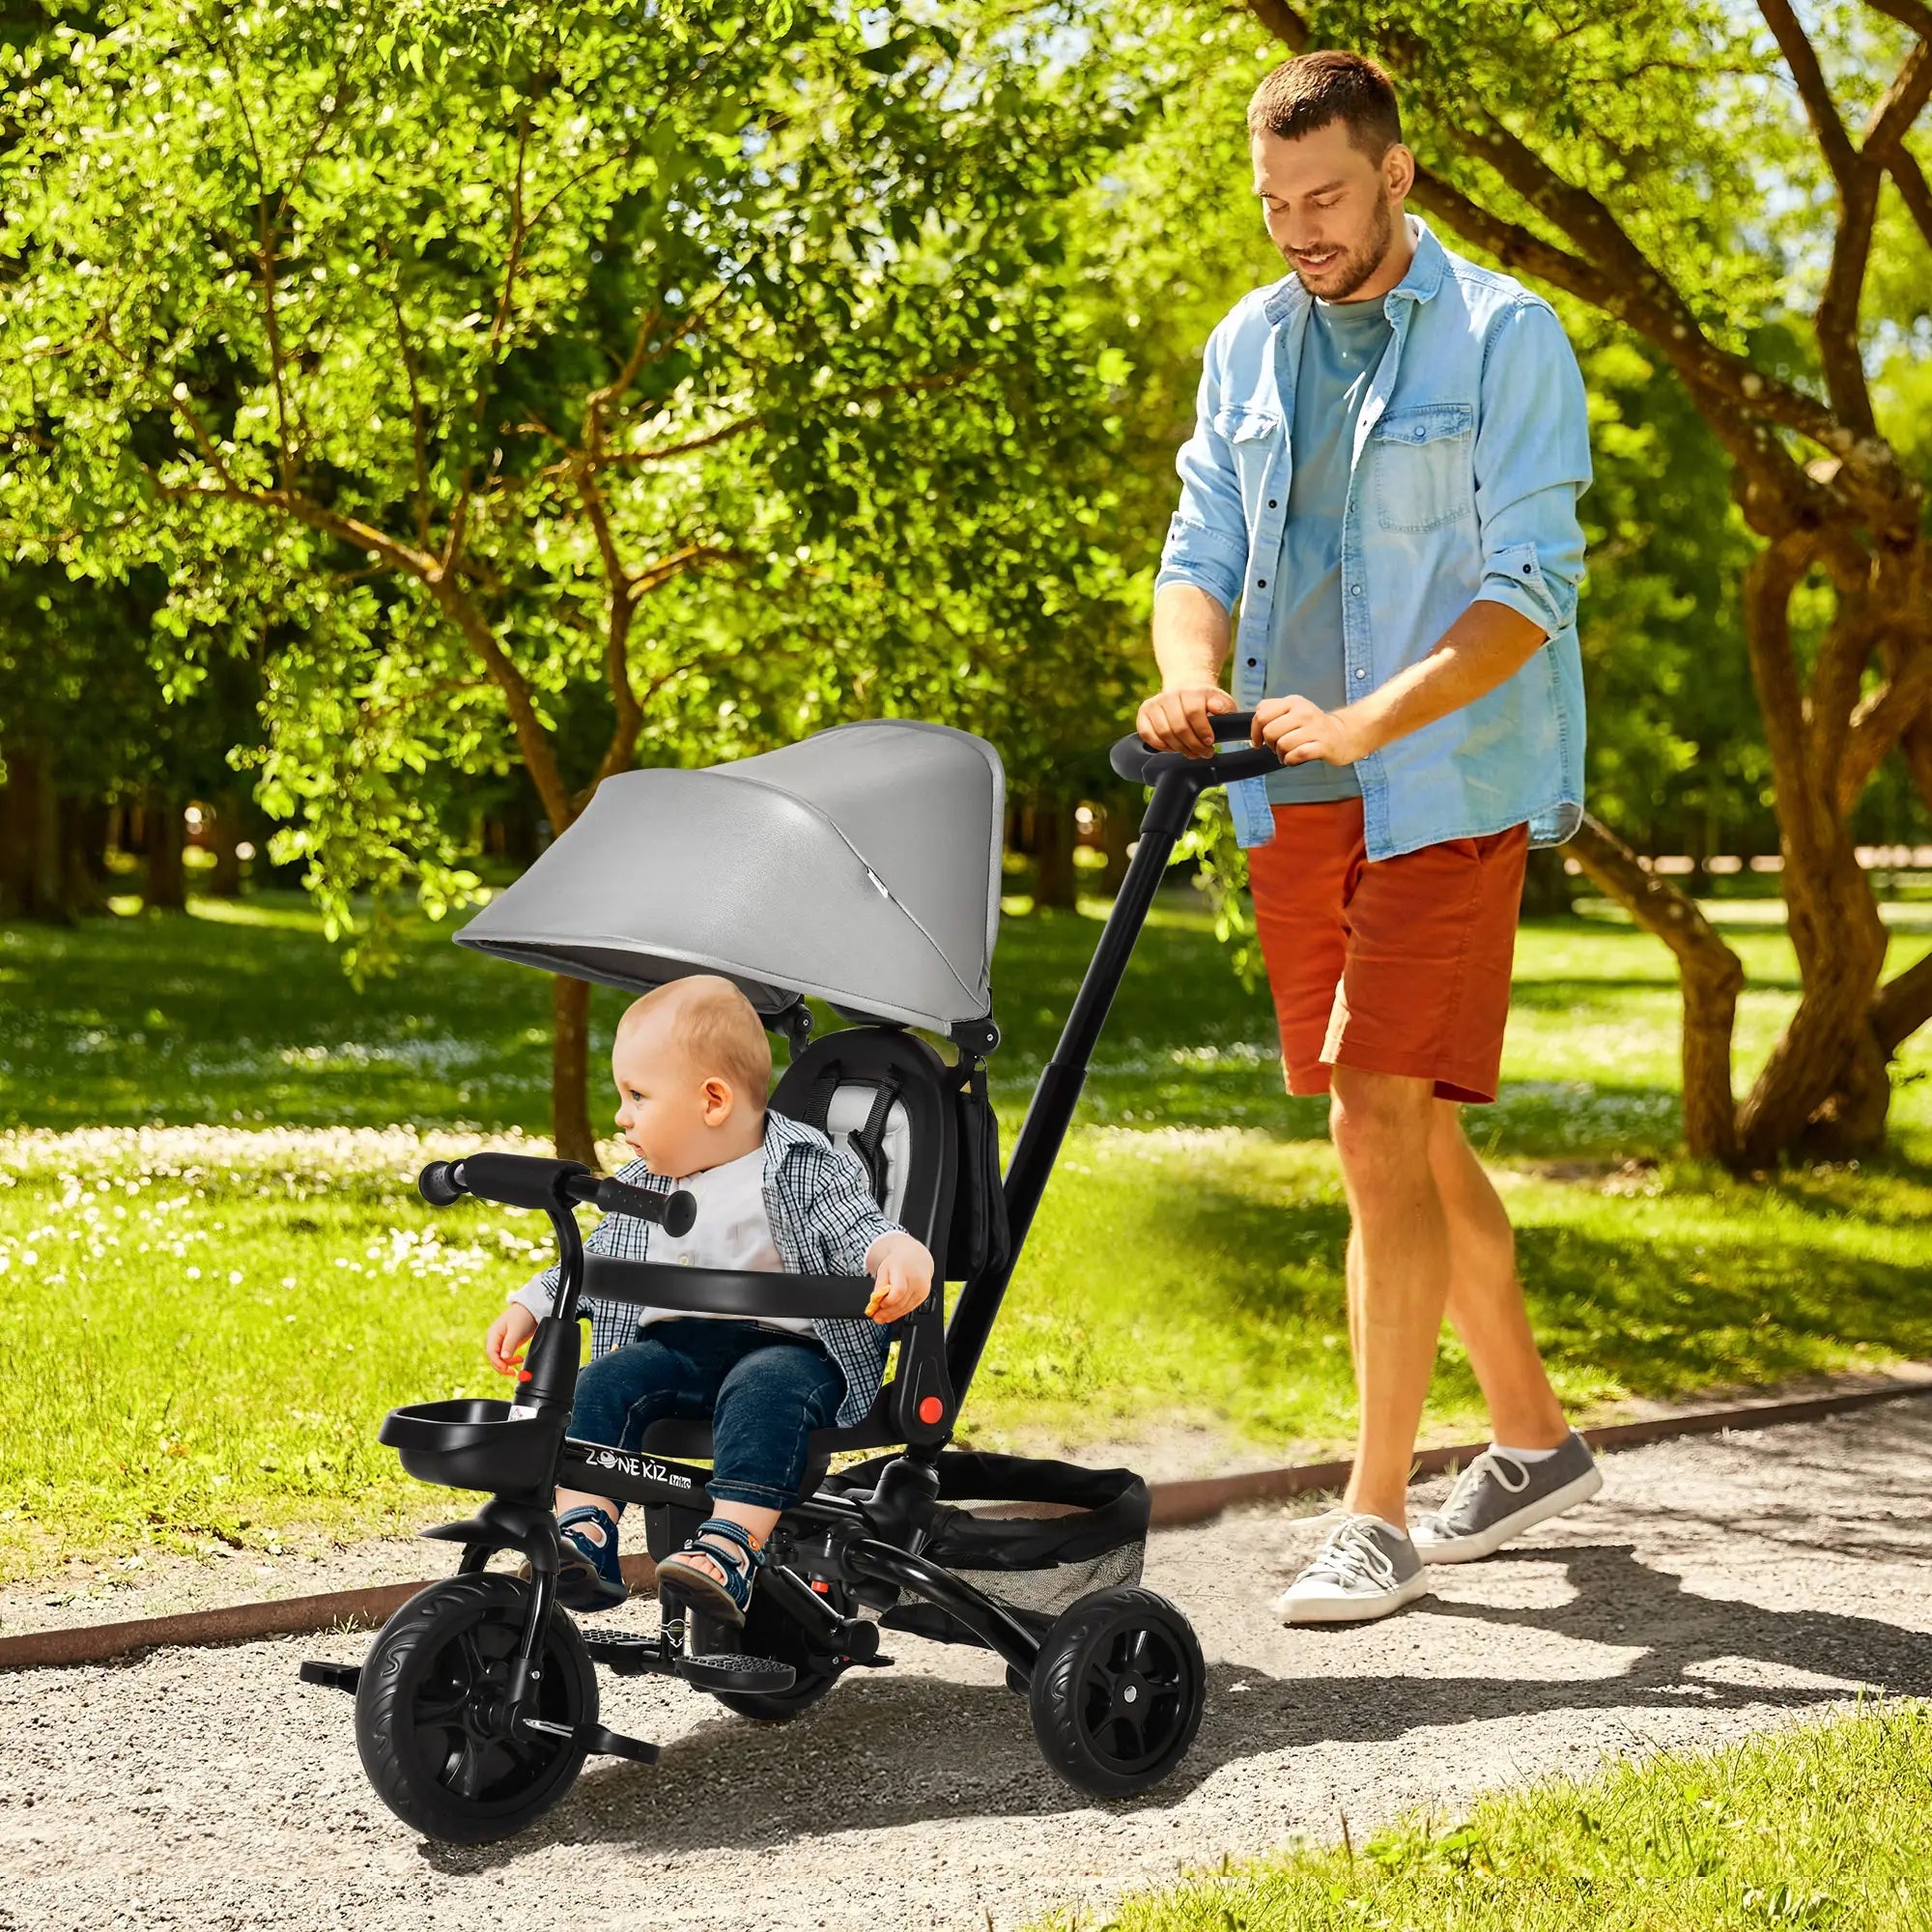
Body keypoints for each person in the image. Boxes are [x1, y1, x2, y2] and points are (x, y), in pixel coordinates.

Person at [1139, 50, 1602, 1625]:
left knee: (1369, 1126)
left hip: (1445, 789)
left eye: (1324, 197)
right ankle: (1531, 1438)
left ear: (1395, 175)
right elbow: (1201, 543)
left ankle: (1376, 1511)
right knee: (1402, 1123)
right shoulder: (1253, 345)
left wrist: (1365, 722)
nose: (1298, 231)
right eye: (1274, 205)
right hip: (1290, 795)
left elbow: (1532, 588)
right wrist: (1191, 681)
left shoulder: (1503, 338)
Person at [485, 975, 933, 1620]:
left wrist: (900, 1257)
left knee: (764, 1390)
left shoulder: (800, 1165)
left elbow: (862, 1229)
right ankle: (584, 1528)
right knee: (601, 1384)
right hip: (678, 1348)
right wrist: (531, 1304)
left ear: (713, 1101)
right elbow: (597, 1256)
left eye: (637, 1097)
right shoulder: (644, 1182)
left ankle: (731, 1545)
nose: (621, 1116)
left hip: (790, 1350)